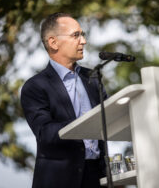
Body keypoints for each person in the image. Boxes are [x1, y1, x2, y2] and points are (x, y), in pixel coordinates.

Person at [21, 12, 106, 188]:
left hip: (98, 178)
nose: (83, 41)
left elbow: (109, 119)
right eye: (76, 35)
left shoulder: (93, 78)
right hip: (60, 180)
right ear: (53, 42)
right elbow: (45, 133)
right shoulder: (36, 86)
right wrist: (84, 124)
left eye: (82, 35)